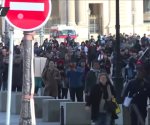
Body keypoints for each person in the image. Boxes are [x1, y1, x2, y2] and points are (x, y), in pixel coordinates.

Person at [122, 60, 150, 125]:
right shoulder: (131, 83)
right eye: (139, 72)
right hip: (133, 107)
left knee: (141, 121)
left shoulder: (147, 84)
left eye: (142, 72)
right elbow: (124, 94)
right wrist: (126, 103)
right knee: (134, 121)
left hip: (142, 107)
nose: (140, 74)